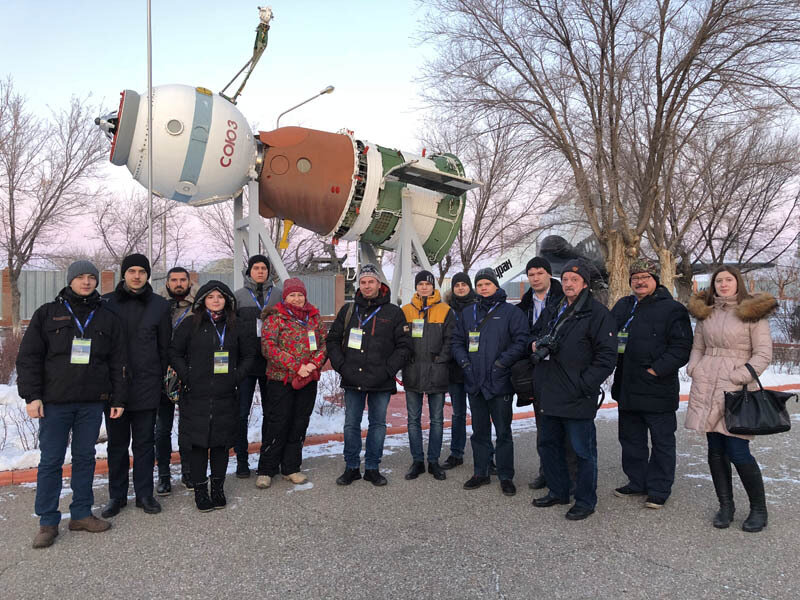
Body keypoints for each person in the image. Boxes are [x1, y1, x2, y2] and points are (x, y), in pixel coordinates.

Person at [16, 261, 127, 548]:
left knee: (85, 458)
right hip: (54, 403)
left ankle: (80, 514)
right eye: (81, 277)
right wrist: (32, 396)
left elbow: (118, 362)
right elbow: (29, 358)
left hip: (91, 403)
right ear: (70, 280)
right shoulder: (47, 314)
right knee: (51, 461)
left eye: (91, 277)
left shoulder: (107, 317)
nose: (87, 282)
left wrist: (118, 398)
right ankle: (48, 521)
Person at [686, 266, 776, 532]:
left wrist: (741, 375)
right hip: (707, 384)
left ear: (738, 283)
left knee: (738, 450)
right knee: (715, 449)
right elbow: (698, 346)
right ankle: (726, 506)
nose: (723, 285)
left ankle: (759, 509)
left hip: (737, 387)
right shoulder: (707, 313)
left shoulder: (752, 313)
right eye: (718, 281)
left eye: (728, 280)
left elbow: (763, 353)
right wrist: (694, 368)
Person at [531, 259, 617, 520]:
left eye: (574, 280)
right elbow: (535, 334)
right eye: (566, 279)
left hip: (577, 394)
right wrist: (535, 345)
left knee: (582, 451)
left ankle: (585, 500)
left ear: (585, 285)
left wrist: (584, 384)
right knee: (550, 446)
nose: (568, 284)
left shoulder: (597, 314)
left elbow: (606, 357)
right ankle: (558, 491)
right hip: (549, 389)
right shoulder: (554, 308)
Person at [610, 258, 692, 509]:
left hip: (657, 388)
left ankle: (659, 488)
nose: (640, 281)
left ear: (655, 280)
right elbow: (607, 336)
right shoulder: (624, 306)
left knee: (662, 442)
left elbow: (681, 347)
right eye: (635, 277)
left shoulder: (672, 309)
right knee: (631, 439)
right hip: (627, 386)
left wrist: (656, 370)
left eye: (645, 277)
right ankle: (637, 481)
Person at [169, 281, 255, 511]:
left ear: (227, 300)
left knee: (220, 445)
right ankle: (200, 490)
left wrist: (236, 377)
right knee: (197, 445)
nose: (216, 300)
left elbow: (249, 356)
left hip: (226, 394)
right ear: (202, 301)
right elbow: (175, 352)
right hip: (195, 394)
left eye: (220, 296)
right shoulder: (190, 324)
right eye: (210, 297)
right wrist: (187, 375)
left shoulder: (238, 326)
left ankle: (217, 487)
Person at [326, 264, 412, 486]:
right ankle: (352, 467)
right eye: (363, 282)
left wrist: (387, 370)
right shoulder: (348, 311)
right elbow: (333, 340)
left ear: (379, 284)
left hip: (381, 380)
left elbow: (404, 347)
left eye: (370, 282)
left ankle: (373, 467)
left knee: (378, 425)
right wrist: (341, 366)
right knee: (351, 424)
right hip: (352, 377)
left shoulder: (393, 312)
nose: (366, 286)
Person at [101, 254, 170, 517]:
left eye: (142, 271)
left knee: (144, 443)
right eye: (132, 271)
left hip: (146, 385)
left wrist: (162, 382)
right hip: (114, 388)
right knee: (117, 445)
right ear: (123, 273)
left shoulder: (159, 305)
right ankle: (116, 497)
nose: (137, 276)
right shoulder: (106, 303)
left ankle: (144, 495)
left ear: (148, 274)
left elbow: (164, 348)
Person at [451, 268, 529, 497]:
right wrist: (465, 363)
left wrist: (501, 363)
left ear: (496, 286)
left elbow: (521, 340)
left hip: (499, 381)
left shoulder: (510, 312)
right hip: (474, 381)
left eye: (487, 283)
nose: (483, 287)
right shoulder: (468, 313)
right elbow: (456, 341)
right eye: (480, 284)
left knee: (503, 431)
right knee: (479, 431)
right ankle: (481, 472)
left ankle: (506, 476)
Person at [256, 278, 327, 488]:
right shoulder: (275, 317)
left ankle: (291, 467)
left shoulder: (314, 317)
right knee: (277, 423)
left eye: (300, 295)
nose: (296, 299)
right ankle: (267, 469)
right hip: (282, 380)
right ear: (285, 297)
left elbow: (323, 344)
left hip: (308, 380)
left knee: (299, 423)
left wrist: (314, 364)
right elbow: (268, 347)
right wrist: (296, 366)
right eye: (292, 295)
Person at [517, 256, 572, 491]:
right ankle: (546, 471)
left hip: (562, 369)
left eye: (540, 273)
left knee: (566, 427)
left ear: (549, 274)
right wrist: (530, 344)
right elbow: (519, 334)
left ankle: (569, 475)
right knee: (544, 426)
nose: (535, 278)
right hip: (538, 370)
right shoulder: (524, 305)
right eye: (531, 274)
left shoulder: (565, 300)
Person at [401, 270, 455, 481]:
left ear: (433, 286)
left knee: (437, 420)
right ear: (416, 286)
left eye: (427, 283)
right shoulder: (405, 310)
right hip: (413, 372)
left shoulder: (445, 310)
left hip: (437, 372)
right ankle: (417, 461)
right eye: (420, 283)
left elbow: (451, 339)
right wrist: (406, 358)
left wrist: (441, 359)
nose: (424, 287)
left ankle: (433, 461)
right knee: (413, 420)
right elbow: (400, 338)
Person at [233, 254, 282, 478]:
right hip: (246, 363)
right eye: (256, 268)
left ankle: (268, 457)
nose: (260, 271)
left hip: (272, 362)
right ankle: (242, 461)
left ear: (269, 271)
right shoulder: (239, 297)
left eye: (264, 268)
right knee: (241, 414)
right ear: (249, 272)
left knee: (271, 413)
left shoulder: (279, 296)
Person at [155, 266, 194, 495]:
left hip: (187, 372)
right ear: (167, 283)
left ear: (189, 282)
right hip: (161, 373)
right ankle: (164, 475)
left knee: (187, 427)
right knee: (162, 429)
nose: (178, 283)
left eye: (182, 280)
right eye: (174, 280)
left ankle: (188, 471)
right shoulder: (157, 305)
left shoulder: (197, 306)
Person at [441, 272, 478, 470]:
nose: (461, 288)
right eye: (457, 285)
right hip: (454, 370)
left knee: (480, 414)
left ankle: (486, 454)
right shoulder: (447, 309)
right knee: (458, 414)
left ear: (470, 286)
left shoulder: (479, 306)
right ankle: (456, 453)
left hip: (476, 369)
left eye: (464, 284)